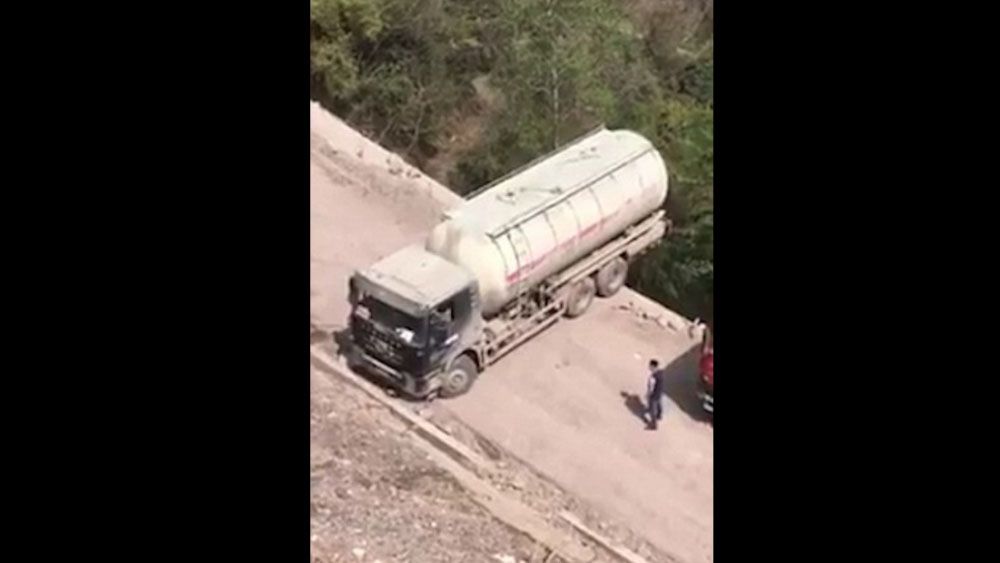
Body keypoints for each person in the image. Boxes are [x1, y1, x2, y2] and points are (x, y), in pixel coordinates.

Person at [646, 359, 667, 430]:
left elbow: (651, 388)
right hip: (660, 392)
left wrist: (648, 395)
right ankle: (659, 415)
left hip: (654, 395)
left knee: (653, 409)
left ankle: (653, 425)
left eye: (650, 366)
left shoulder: (653, 377)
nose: (649, 367)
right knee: (659, 404)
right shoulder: (661, 373)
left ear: (653, 367)